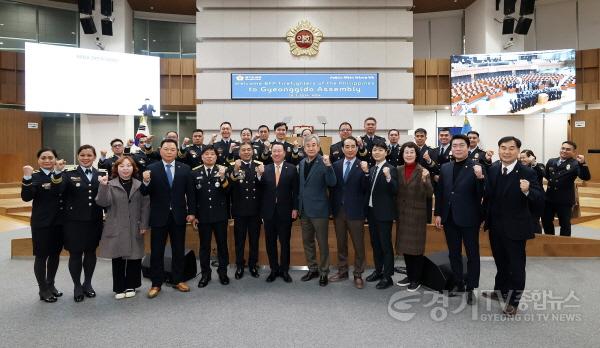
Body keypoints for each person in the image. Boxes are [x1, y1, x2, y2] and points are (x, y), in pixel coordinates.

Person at [482, 136, 544, 316]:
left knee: (516, 266)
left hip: (516, 227)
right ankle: (499, 291)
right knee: (500, 262)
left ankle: (513, 302)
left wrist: (527, 191)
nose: (506, 152)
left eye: (511, 148)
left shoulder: (528, 172)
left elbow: (539, 199)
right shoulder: (493, 169)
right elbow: (489, 196)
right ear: (498, 149)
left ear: (518, 151)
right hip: (495, 225)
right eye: (503, 148)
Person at [140, 139, 196, 298]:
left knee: (179, 249)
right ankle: (156, 283)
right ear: (160, 150)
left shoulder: (185, 169)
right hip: (158, 216)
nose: (169, 151)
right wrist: (145, 181)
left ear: (177, 151)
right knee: (157, 251)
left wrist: (192, 212)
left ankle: (178, 280)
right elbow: (144, 192)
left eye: (173, 149)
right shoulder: (151, 168)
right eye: (166, 149)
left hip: (179, 216)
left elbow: (191, 193)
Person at [434, 134, 485, 305]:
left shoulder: (477, 167)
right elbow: (441, 192)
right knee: (453, 253)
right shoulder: (446, 167)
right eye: (454, 146)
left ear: (468, 147)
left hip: (469, 218)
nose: (457, 148)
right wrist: (438, 214)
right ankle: (459, 283)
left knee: (472, 254)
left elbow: (483, 194)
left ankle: (471, 287)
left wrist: (480, 179)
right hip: (449, 217)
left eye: (461, 145)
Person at [55, 145, 104, 302]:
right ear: (77, 157)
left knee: (90, 253)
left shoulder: (100, 174)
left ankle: (87, 284)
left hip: (94, 221)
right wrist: (57, 172)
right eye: (82, 155)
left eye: (89, 155)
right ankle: (77, 286)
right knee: (75, 254)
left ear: (94, 157)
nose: (86, 157)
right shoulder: (69, 174)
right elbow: (59, 190)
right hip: (73, 222)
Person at [96, 156, 150, 300]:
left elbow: (145, 206)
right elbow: (102, 202)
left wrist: (144, 224)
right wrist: (102, 186)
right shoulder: (109, 184)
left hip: (135, 225)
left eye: (128, 166)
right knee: (118, 257)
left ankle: (131, 285)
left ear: (134, 168)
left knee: (134, 257)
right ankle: (119, 287)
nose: (125, 169)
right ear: (116, 168)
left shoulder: (140, 185)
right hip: (116, 225)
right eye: (122, 166)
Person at [21, 148, 65, 303]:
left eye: (50, 157)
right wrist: (26, 177)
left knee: (55, 255)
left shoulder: (61, 174)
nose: (47, 161)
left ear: (56, 159)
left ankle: (50, 285)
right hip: (42, 224)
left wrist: (58, 174)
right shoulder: (34, 177)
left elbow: (59, 191)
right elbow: (26, 197)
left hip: (59, 223)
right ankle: (43, 289)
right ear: (38, 160)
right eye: (43, 158)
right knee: (41, 256)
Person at [329, 137, 369, 289]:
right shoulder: (336, 165)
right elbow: (332, 188)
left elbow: (366, 189)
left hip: (356, 212)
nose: (350, 149)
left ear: (357, 149)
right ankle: (342, 271)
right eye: (347, 146)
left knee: (358, 245)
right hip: (339, 212)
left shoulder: (363, 165)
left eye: (353, 146)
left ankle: (358, 274)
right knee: (341, 244)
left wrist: (366, 173)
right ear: (343, 148)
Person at [297, 135, 336, 287]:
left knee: (322, 243)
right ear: (304, 148)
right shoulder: (301, 162)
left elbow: (332, 182)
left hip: (320, 210)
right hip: (304, 210)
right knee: (307, 242)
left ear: (318, 147)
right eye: (308, 145)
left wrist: (329, 166)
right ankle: (312, 268)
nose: (311, 148)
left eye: (314, 145)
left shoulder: (324, 162)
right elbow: (302, 187)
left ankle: (324, 271)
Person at [257, 143, 299, 283]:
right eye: (274, 151)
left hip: (285, 212)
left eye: (279, 151)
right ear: (271, 153)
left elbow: (296, 191)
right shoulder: (265, 169)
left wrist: (295, 208)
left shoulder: (292, 169)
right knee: (270, 243)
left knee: (285, 242)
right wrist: (259, 175)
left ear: (284, 153)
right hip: (268, 212)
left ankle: (284, 270)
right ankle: (274, 269)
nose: (276, 153)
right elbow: (259, 191)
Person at [394, 142, 433, 292]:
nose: (409, 154)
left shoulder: (423, 171)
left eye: (411, 152)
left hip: (417, 215)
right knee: (405, 248)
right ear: (402, 155)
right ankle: (410, 276)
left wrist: (425, 180)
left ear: (416, 154)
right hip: (402, 215)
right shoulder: (398, 170)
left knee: (416, 249)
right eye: (406, 152)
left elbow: (429, 194)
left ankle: (416, 279)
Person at [192, 146, 231, 287]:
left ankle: (223, 273)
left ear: (216, 156)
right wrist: (194, 215)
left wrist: (222, 177)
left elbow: (228, 192)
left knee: (222, 246)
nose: (209, 156)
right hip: (203, 216)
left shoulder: (223, 170)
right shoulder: (195, 172)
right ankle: (205, 275)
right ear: (202, 157)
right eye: (206, 154)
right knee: (204, 247)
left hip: (220, 216)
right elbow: (193, 196)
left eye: (212, 154)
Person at [365, 140, 398, 289]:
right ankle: (378, 271)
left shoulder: (390, 168)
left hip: (384, 214)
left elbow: (395, 190)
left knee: (385, 245)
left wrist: (389, 178)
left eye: (380, 150)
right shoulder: (372, 169)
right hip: (372, 212)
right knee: (375, 243)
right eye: (374, 150)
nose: (376, 152)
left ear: (386, 152)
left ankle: (388, 276)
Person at [542, 141, 591, 236]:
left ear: (573, 152)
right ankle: (550, 239)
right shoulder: (551, 161)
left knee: (565, 224)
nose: (564, 151)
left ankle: (563, 244)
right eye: (563, 148)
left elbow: (586, 177)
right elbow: (548, 176)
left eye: (568, 149)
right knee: (546, 221)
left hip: (564, 200)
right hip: (549, 198)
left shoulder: (575, 164)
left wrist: (583, 163)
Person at [229, 142, 263, 279]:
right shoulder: (232, 166)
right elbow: (228, 188)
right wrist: (236, 172)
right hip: (239, 210)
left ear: (253, 152)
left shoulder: (258, 166)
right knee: (239, 240)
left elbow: (264, 187)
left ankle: (253, 265)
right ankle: (239, 265)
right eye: (244, 150)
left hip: (255, 210)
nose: (247, 152)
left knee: (254, 240)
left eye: (249, 150)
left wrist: (260, 175)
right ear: (239, 152)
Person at [520, 149, 545, 234]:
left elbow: (542, 174)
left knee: (534, 221)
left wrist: (534, 163)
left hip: (537, 198)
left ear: (531, 157)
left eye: (524, 157)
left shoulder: (539, 165)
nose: (522, 160)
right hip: (524, 198)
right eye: (521, 158)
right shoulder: (519, 167)